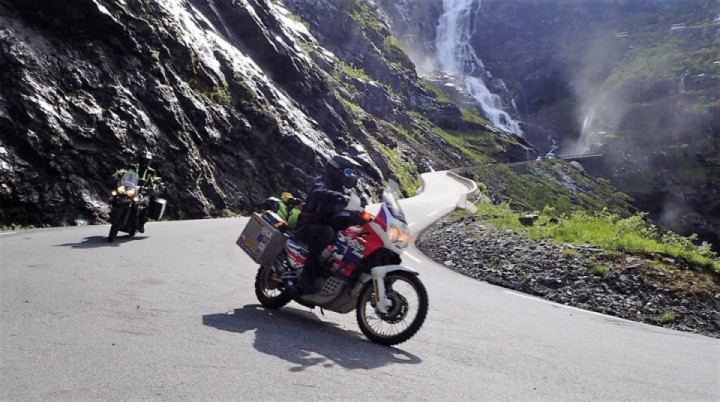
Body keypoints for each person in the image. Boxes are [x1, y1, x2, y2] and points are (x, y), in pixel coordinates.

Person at [293, 155, 361, 293]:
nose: (350, 176)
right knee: (327, 232)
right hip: (307, 225)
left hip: (325, 228)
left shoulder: (342, 190)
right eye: (348, 172)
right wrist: (336, 196)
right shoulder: (322, 181)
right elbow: (317, 191)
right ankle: (306, 276)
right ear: (337, 170)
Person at [115, 150, 161, 233]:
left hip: (143, 192)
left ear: (149, 161)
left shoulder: (151, 171)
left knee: (144, 206)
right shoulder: (133, 166)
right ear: (140, 159)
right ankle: (113, 211)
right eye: (143, 159)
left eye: (147, 160)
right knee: (115, 195)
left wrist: (152, 188)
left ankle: (141, 224)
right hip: (129, 188)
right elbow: (124, 171)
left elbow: (154, 180)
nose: (145, 162)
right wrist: (117, 174)